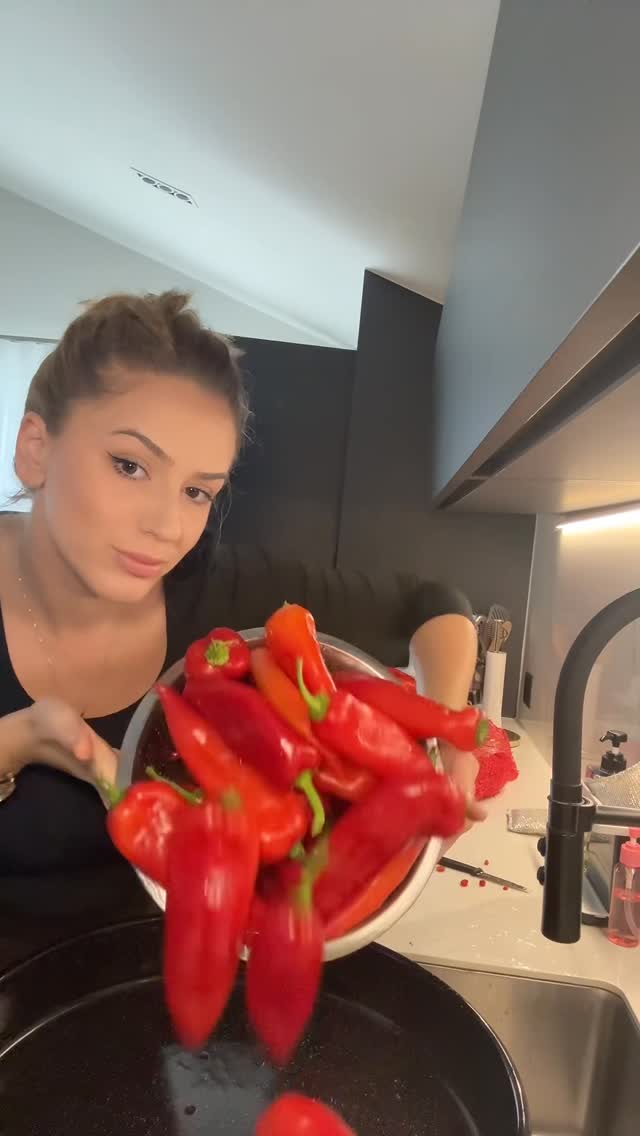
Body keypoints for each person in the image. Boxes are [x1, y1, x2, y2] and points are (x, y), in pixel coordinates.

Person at [0, 291, 483, 874]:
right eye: (130, 466)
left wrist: (448, 736)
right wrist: (19, 741)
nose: (167, 527)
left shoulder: (223, 587)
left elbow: (433, 605)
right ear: (36, 450)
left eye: (196, 491)